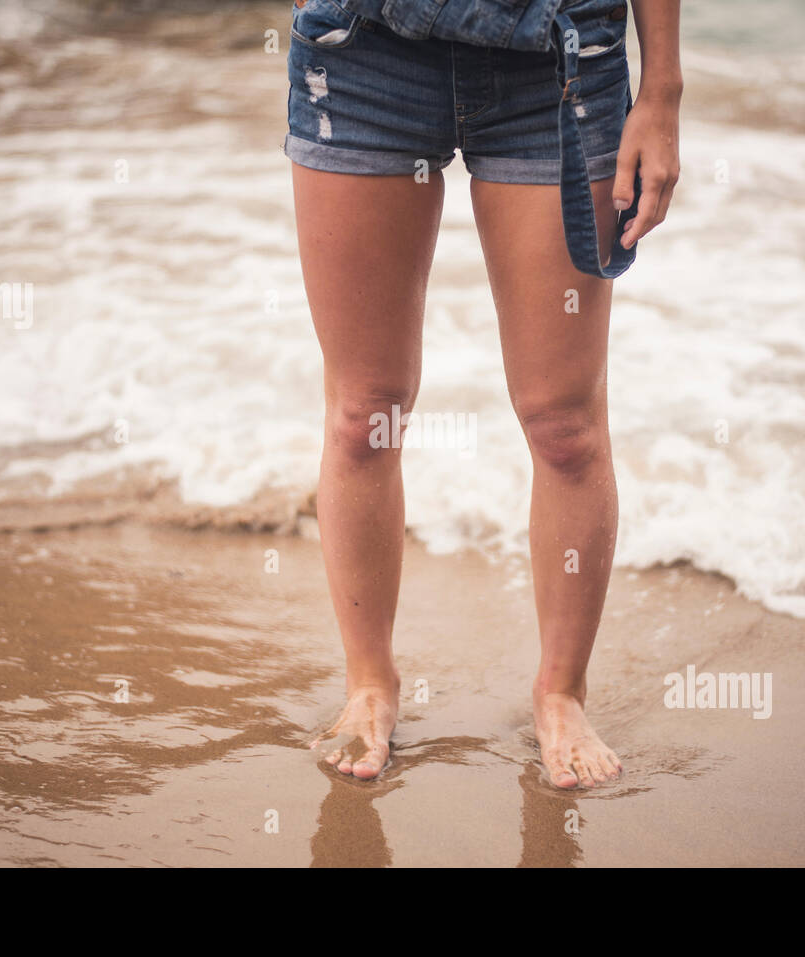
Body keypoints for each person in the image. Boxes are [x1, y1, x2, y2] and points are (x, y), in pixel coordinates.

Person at [286, 0, 682, 788]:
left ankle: (561, 693)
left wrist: (662, 91)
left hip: (560, 58)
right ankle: (369, 684)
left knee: (565, 426)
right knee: (363, 416)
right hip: (365, 47)